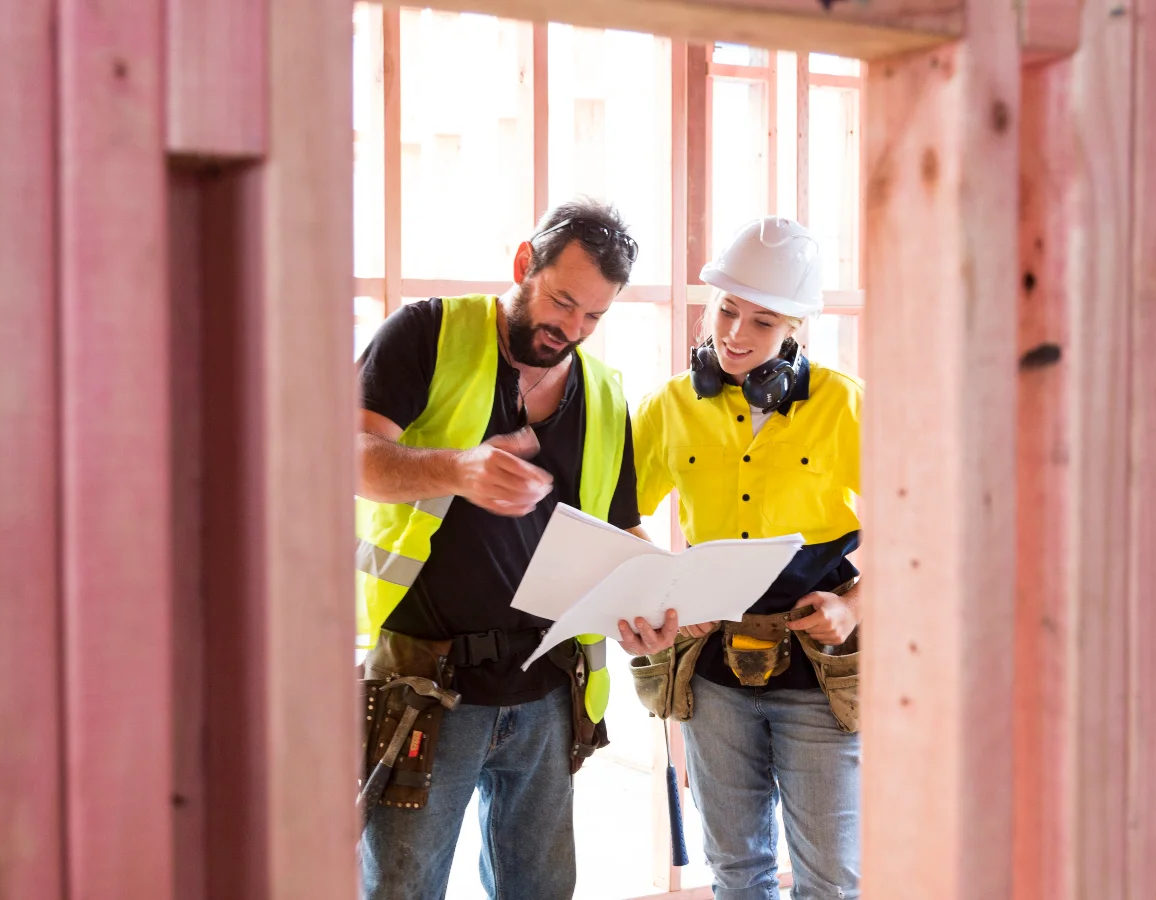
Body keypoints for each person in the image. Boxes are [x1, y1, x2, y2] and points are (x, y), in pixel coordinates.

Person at [354, 198, 649, 900]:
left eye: (594, 317)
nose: (572, 330)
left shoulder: (603, 394)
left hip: (548, 689)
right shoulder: (428, 332)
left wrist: (650, 603)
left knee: (541, 890)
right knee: (402, 889)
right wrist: (457, 469)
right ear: (524, 265)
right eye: (562, 301)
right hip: (425, 683)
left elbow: (624, 531)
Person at [617, 216, 864, 900]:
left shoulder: (842, 404)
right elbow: (616, 516)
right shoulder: (670, 406)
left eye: (762, 321)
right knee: (736, 873)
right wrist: (668, 589)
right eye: (727, 310)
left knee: (832, 880)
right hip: (716, 672)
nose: (735, 334)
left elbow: (923, 523)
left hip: (819, 673)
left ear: (796, 330)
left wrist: (854, 604)